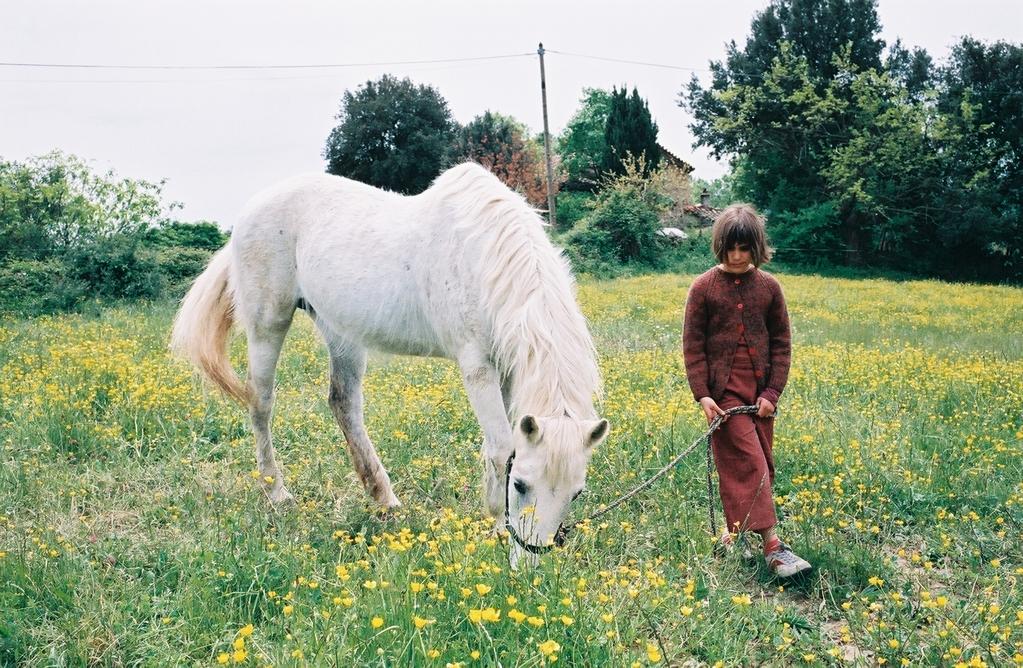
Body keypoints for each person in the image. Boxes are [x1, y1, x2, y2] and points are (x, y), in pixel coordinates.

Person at [682, 204, 811, 578]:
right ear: (719, 246)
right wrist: (703, 395)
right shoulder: (703, 288)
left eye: (744, 248)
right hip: (724, 400)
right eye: (730, 248)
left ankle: (732, 534)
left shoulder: (770, 288)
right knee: (750, 464)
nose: (737, 257)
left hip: (759, 400)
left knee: (758, 467)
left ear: (756, 247)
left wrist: (771, 393)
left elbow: (782, 344)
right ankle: (774, 547)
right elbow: (692, 345)